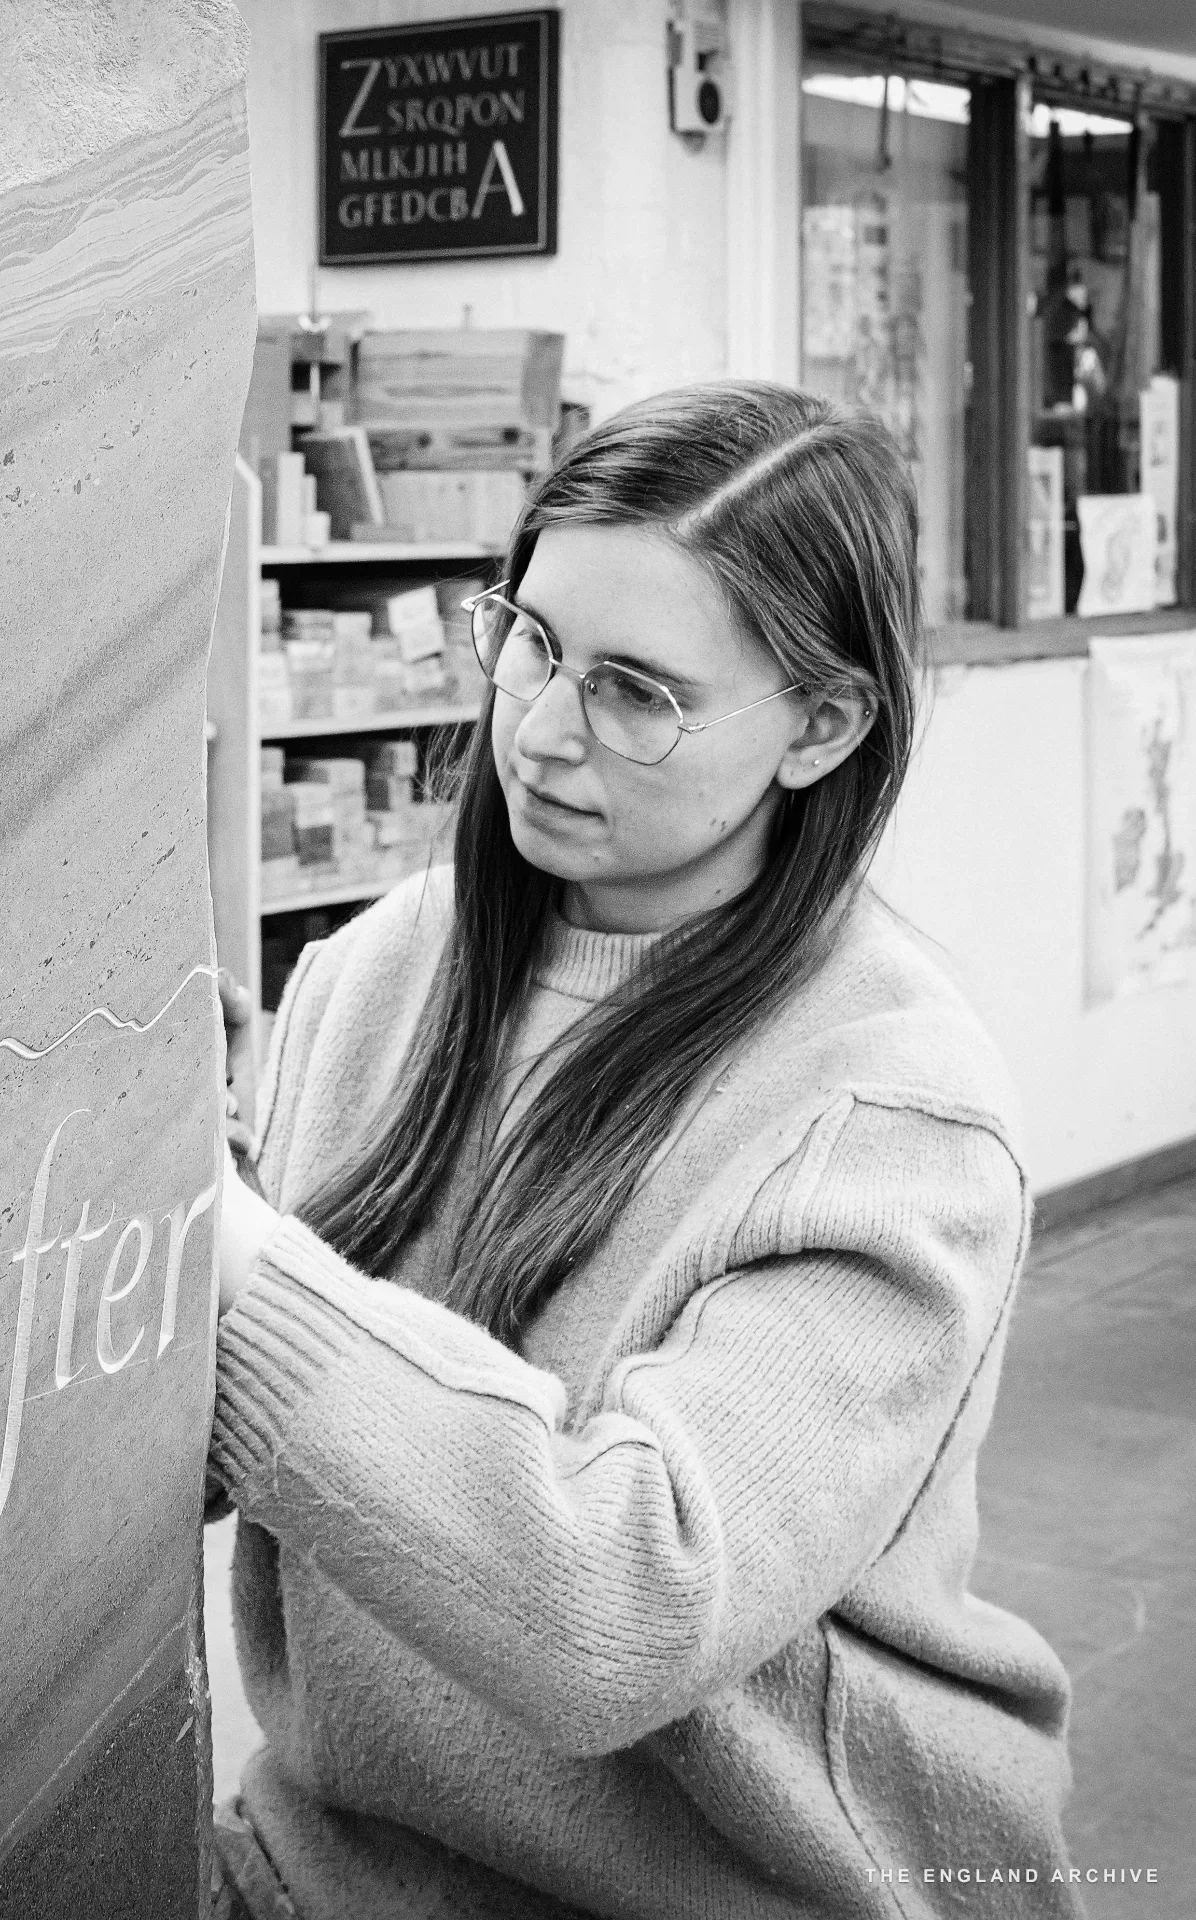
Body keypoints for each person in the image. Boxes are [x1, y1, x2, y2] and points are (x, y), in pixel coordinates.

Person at [207, 382, 1081, 1920]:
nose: (539, 730)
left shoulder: (888, 1128)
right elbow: (234, 1465)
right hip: (330, 1867)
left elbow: (616, 1609)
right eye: (530, 638)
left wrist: (227, 1262)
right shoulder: (372, 976)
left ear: (824, 726)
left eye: (636, 691)